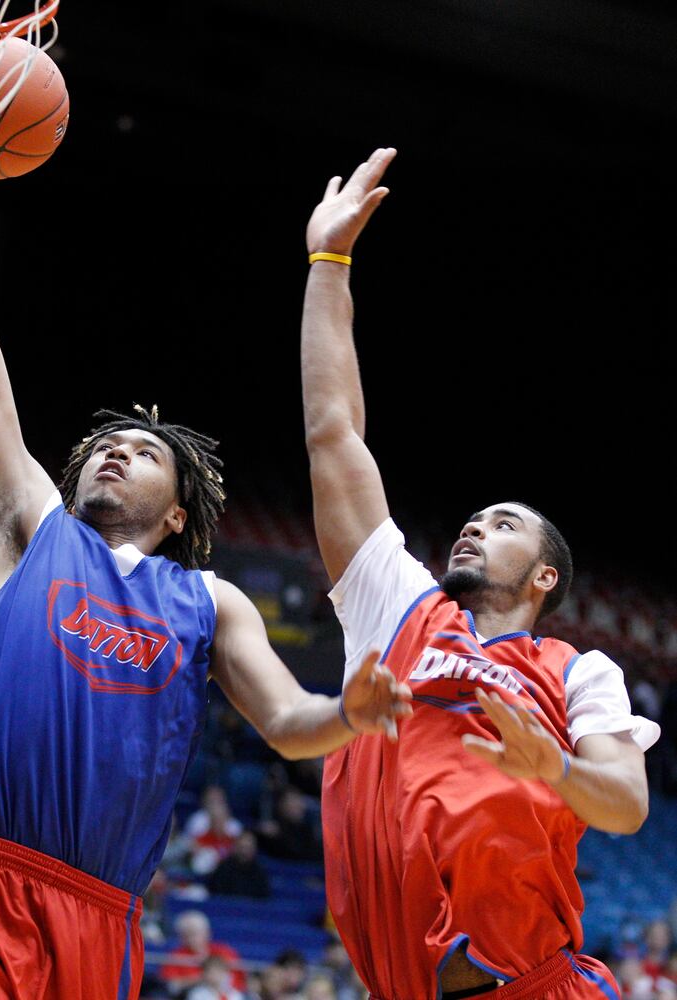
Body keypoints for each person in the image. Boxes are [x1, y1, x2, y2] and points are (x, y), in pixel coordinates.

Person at [0, 174, 412, 1000]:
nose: (115, 452)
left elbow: (286, 722)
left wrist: (348, 714)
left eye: (144, 452)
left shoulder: (208, 601)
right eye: (104, 445)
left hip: (104, 925)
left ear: (176, 515)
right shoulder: (27, 527)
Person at [299, 146, 661, 999]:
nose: (473, 525)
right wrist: (327, 263)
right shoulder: (394, 604)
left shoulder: (578, 669)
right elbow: (332, 432)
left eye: (503, 525)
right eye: (473, 516)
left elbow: (623, 804)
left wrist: (554, 770)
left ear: (543, 578)